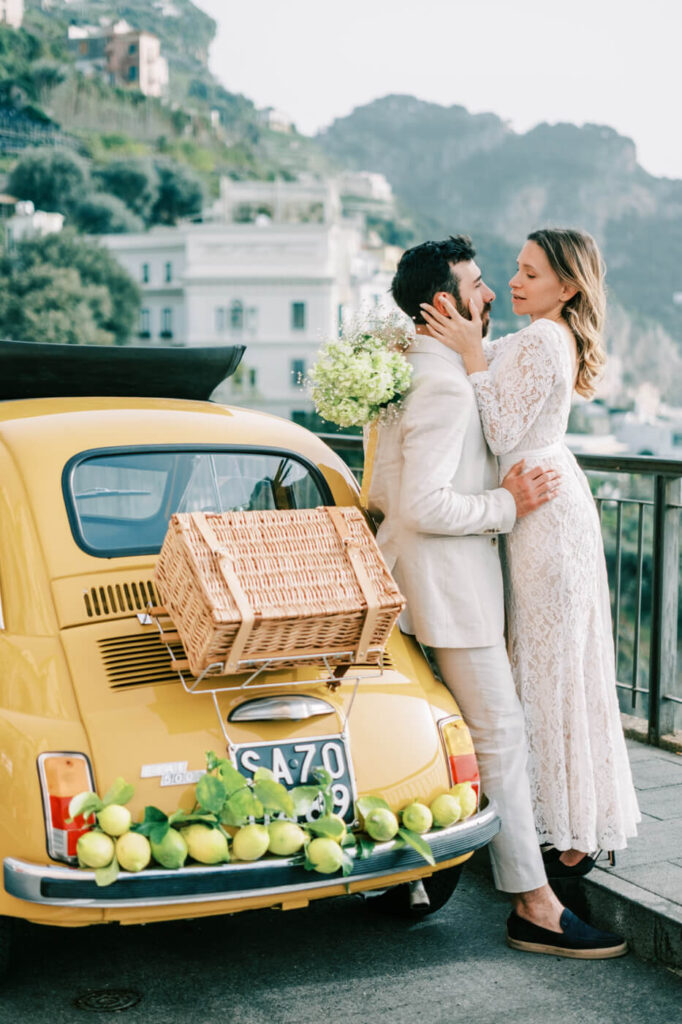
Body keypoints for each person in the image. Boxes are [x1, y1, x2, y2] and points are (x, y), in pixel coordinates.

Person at [368, 235, 627, 957]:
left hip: (424, 579)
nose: (495, 293)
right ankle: (534, 905)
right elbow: (424, 504)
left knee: (436, 732)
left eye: (516, 275)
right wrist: (505, 507)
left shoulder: (410, 369)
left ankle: (414, 879)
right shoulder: (448, 382)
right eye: (483, 283)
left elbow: (383, 492)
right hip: (451, 585)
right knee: (501, 738)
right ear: (445, 302)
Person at [420, 228, 640, 879]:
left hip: (543, 513)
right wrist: (465, 347)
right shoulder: (538, 333)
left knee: (550, 670)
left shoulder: (546, 336)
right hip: (539, 505)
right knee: (551, 669)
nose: (515, 282)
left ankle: (567, 835)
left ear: (568, 286)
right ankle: (561, 825)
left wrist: (470, 357)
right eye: (516, 269)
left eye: (532, 274)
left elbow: (502, 428)